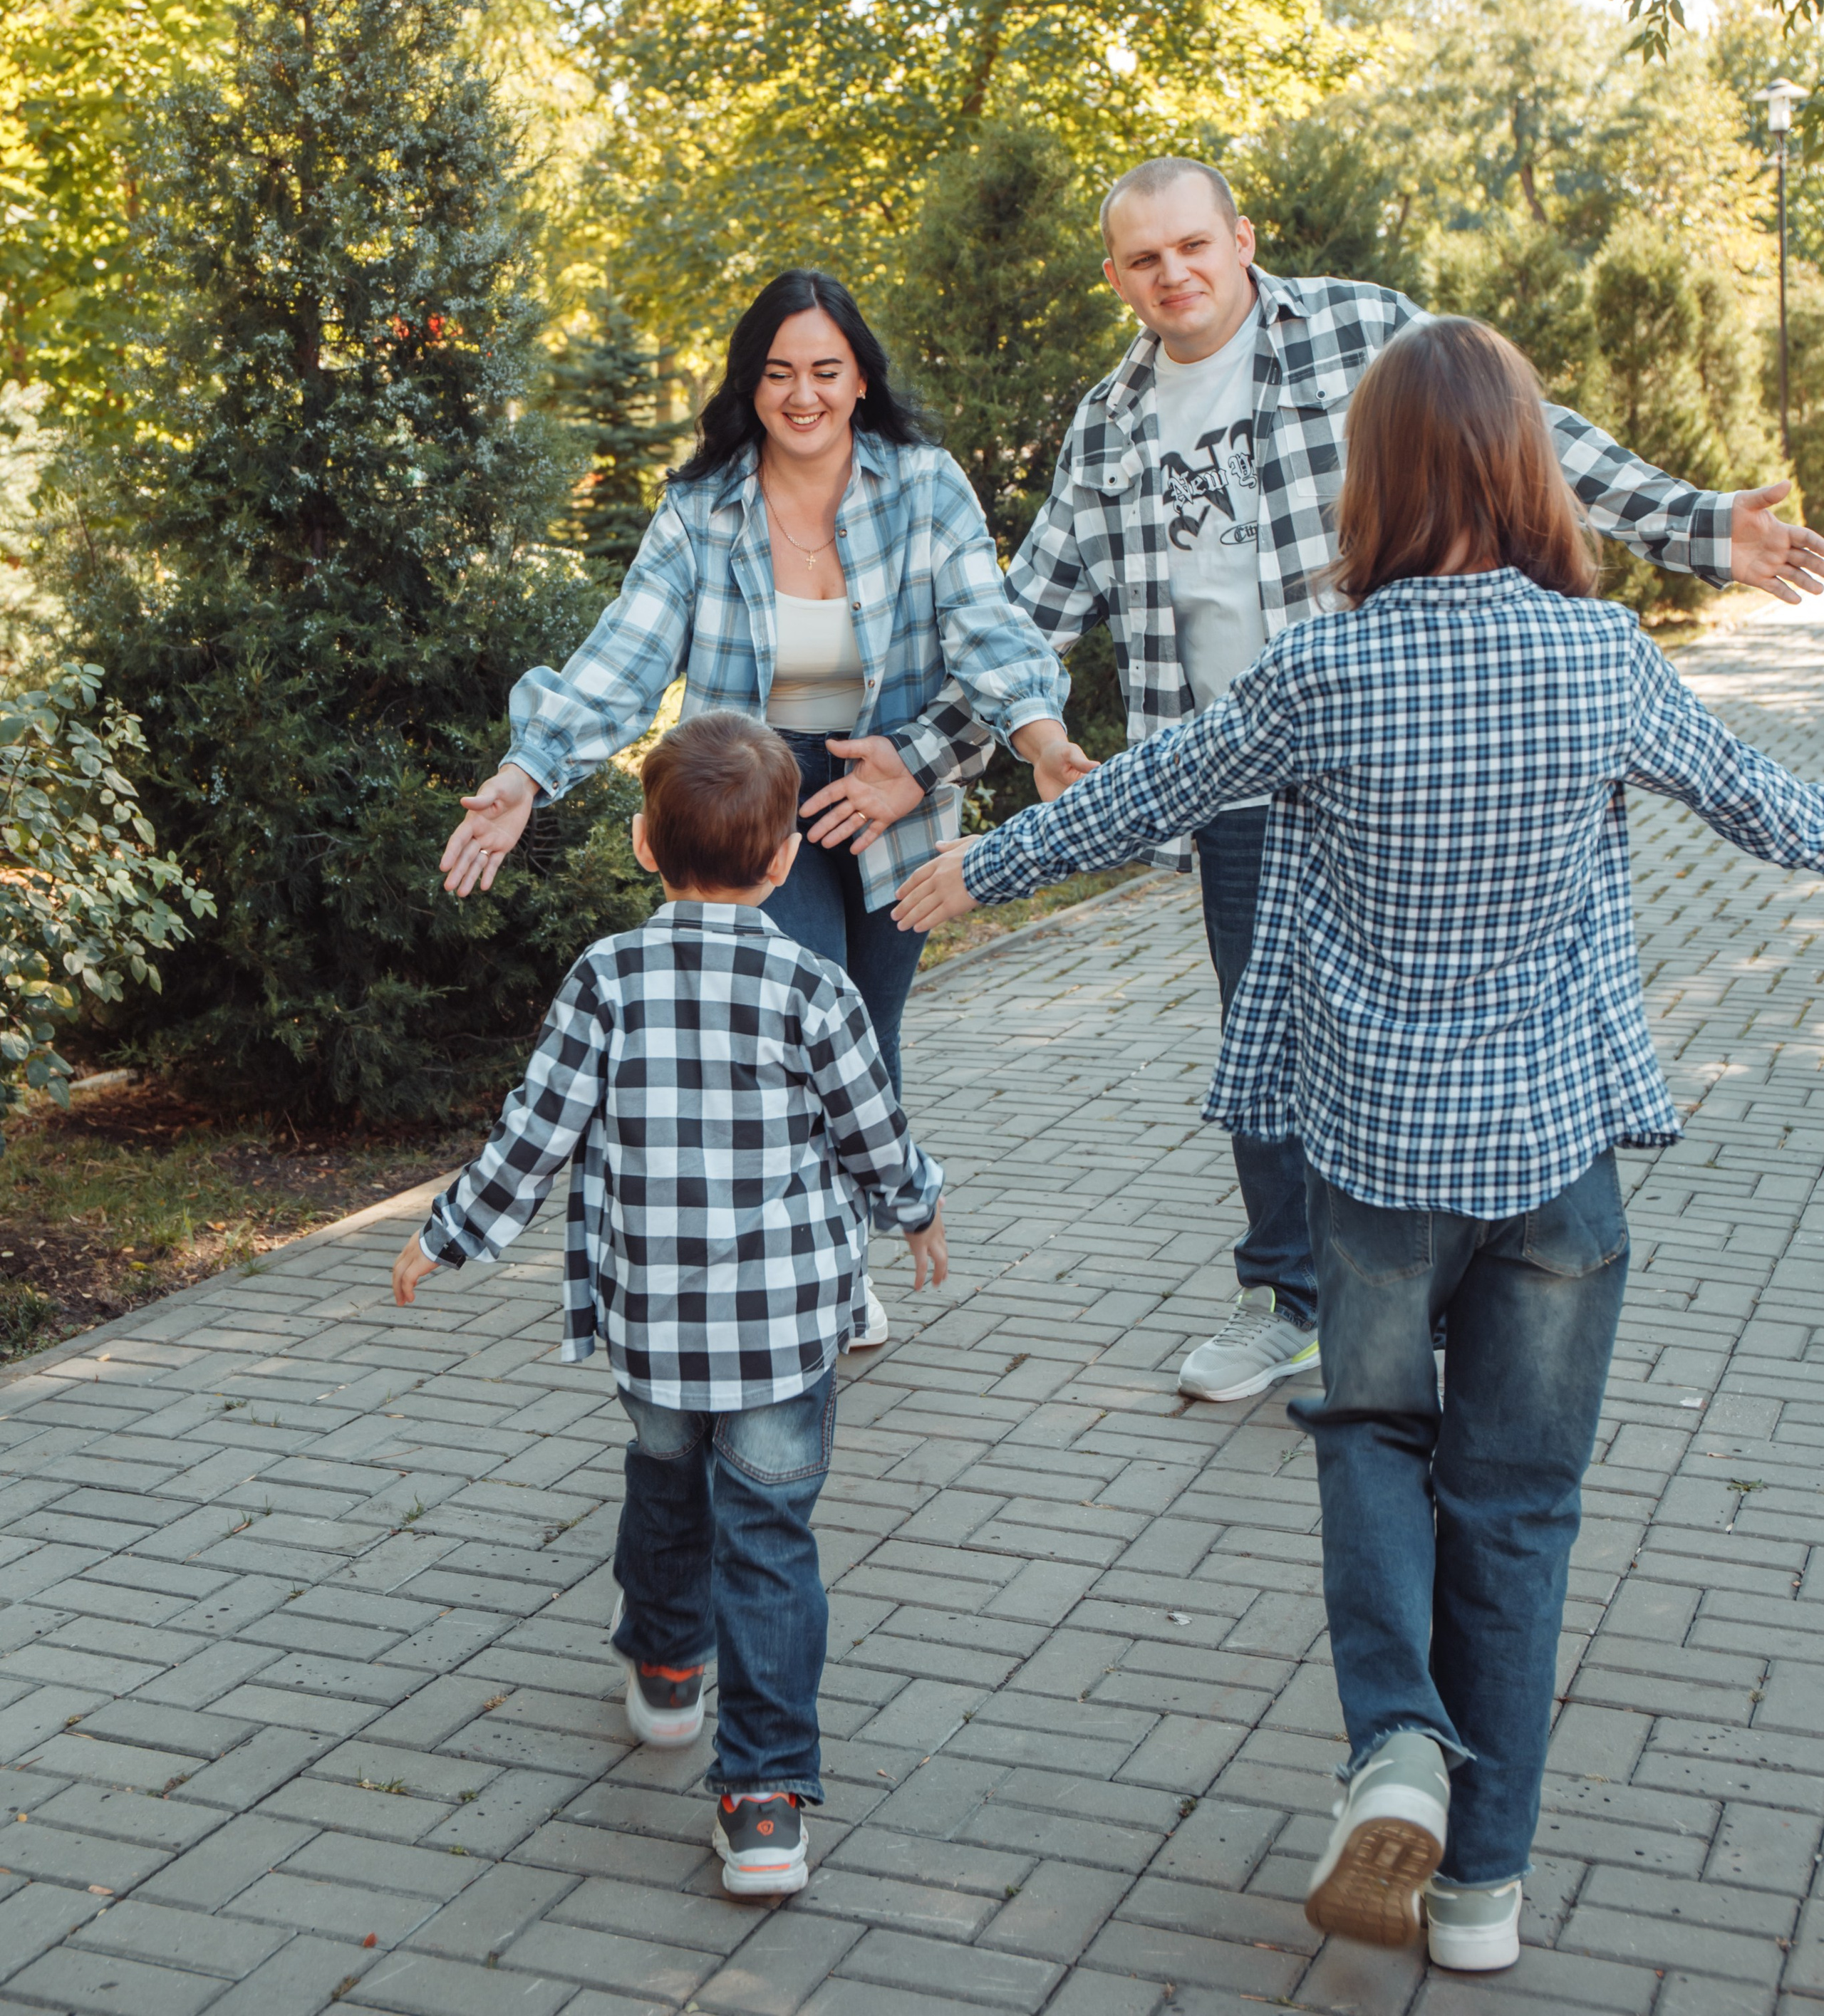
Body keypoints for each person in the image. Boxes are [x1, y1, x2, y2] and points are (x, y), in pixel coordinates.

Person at [896, 316, 1824, 1975]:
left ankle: (1393, 1744)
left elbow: (1146, 792)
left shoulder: (1322, 670)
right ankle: (1482, 1893)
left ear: (1371, 476)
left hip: (1377, 1164)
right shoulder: (1599, 660)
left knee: (1373, 1435)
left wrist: (981, 866)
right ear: (1526, 469)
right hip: (1554, 1169)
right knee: (1520, 1508)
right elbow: (1779, 818)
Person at [968, 157, 1824, 1406]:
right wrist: (934, 751)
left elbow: (1521, 430)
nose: (1176, 274)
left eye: (1195, 246)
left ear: (1241, 239)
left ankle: (1432, 1278)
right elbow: (1023, 613)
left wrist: (1695, 525)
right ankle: (1296, 1300)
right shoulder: (1109, 424)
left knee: (1424, 1013)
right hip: (1233, 768)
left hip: (1397, 737)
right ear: (1119, 278)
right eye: (1146, 260)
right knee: (1265, 1038)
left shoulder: (1364, 329)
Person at [437, 267, 1089, 1344]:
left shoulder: (925, 486)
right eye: (779, 373)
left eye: (826, 371)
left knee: (860, 1044)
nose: (803, 396)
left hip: (894, 791)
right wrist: (527, 771)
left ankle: (835, 1257)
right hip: (753, 799)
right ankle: (800, 1286)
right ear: (750, 385)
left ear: (862, 380)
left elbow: (988, 633)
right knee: (777, 1037)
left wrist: (1040, 739)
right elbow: (625, 658)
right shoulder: (704, 509)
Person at [397, 712, 948, 1899]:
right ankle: (761, 1802)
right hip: (787, 1330)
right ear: (787, 859)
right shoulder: (818, 986)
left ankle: (661, 1662)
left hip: (651, 1323)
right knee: (771, 1541)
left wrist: (448, 1235)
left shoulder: (608, 977)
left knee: (662, 1478)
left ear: (645, 846)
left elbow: (535, 1133)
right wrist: (917, 1210)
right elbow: (873, 1131)